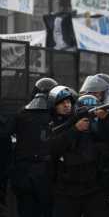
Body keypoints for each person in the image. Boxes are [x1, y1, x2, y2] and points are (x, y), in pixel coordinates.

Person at [43, 87, 109, 217]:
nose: (66, 105)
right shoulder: (51, 127)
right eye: (62, 102)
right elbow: (53, 147)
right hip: (66, 189)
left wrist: (104, 120)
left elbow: (104, 137)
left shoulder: (83, 118)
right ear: (53, 106)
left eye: (68, 102)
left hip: (93, 186)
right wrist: (75, 129)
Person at [0, 78, 58, 217]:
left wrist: (11, 158)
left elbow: (4, 134)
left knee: (27, 211)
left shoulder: (21, 113)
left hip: (23, 170)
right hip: (47, 170)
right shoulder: (55, 116)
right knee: (51, 210)